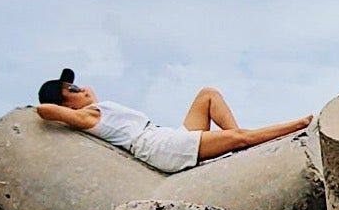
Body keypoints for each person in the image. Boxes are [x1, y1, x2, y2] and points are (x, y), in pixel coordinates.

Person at [34, 68, 312, 173]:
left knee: (208, 95)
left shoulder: (94, 108)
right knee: (240, 138)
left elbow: (88, 94)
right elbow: (45, 111)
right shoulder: (85, 116)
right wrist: (61, 107)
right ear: (65, 104)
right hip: (160, 147)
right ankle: (299, 125)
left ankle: (237, 140)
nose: (81, 89)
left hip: (163, 136)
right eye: (71, 90)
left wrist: (77, 93)